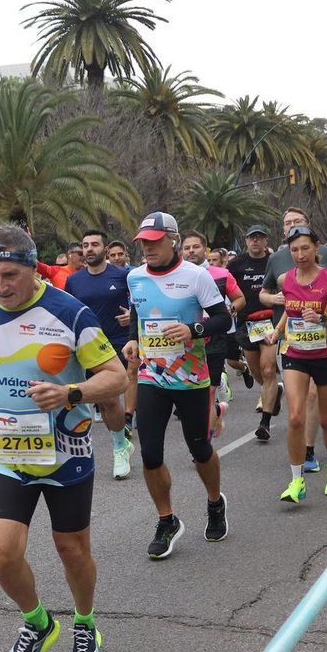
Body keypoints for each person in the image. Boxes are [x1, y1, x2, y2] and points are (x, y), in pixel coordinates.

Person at [0, 224, 127, 652]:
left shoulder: (69, 312)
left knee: (71, 549)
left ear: (33, 269)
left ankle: (86, 623)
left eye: (10, 275)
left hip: (65, 449)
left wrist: (70, 392)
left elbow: (116, 376)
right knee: (1, 552)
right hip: (7, 449)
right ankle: (37, 622)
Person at [123, 213, 231, 559]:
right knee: (151, 452)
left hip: (191, 378)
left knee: (199, 448)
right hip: (152, 375)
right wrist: (132, 340)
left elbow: (223, 318)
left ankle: (215, 502)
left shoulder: (196, 276)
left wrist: (194, 330)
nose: (148, 248)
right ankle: (166, 519)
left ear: (172, 239)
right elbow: (138, 314)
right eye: (143, 242)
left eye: (155, 241)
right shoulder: (135, 277)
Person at [260, 227, 327, 501]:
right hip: (295, 353)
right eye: (294, 250)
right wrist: (278, 330)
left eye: (305, 248)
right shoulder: (286, 279)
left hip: (326, 355)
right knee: (296, 417)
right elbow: (290, 310)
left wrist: (321, 319)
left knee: (326, 420)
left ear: (316, 249)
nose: (300, 255)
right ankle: (296, 480)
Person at [61, 229, 135, 479]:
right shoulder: (74, 281)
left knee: (110, 399)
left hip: (115, 343)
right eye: (85, 245)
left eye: (94, 244)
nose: (89, 248)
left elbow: (140, 302)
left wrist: (132, 317)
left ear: (105, 249)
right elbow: (68, 312)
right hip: (84, 346)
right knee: (94, 401)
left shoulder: (123, 275)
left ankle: (119, 447)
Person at [181, 230, 243, 437]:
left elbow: (240, 299)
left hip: (214, 339)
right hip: (186, 343)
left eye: (195, 247)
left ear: (205, 250)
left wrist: (230, 311)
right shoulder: (177, 276)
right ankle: (216, 411)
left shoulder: (221, 274)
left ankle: (202, 441)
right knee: (190, 395)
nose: (191, 251)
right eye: (186, 248)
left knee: (208, 391)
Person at [229, 225, 282, 440]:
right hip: (246, 322)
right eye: (252, 238)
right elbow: (226, 287)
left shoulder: (274, 261)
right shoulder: (236, 264)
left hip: (270, 319)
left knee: (268, 369)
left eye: (260, 238)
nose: (255, 241)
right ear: (246, 240)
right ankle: (273, 391)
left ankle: (265, 422)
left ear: (265, 240)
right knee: (258, 371)